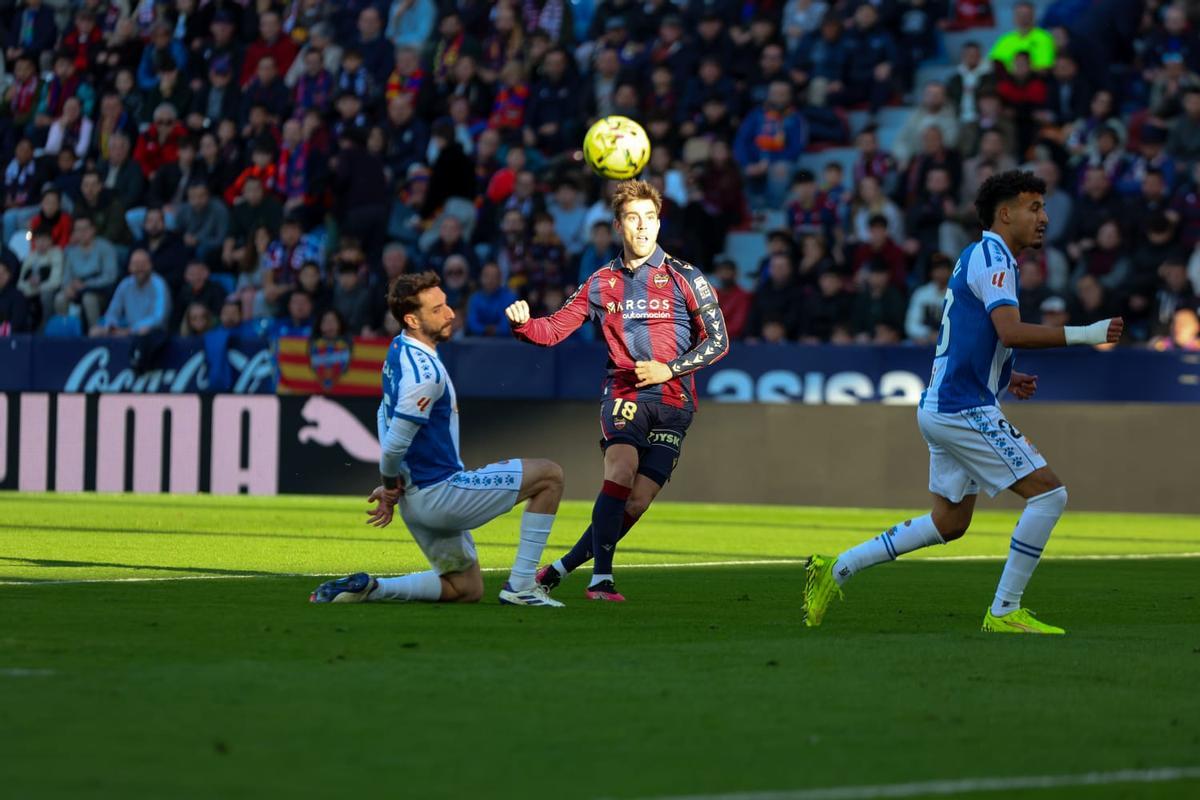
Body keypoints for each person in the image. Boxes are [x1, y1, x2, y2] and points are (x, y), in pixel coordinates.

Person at [803, 170, 1124, 634]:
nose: (1044, 218)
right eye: (1033, 207)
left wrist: (1007, 375)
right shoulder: (993, 256)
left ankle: (836, 569)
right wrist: (1087, 334)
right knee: (1050, 495)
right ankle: (1004, 611)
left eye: (1043, 207)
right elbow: (1009, 330)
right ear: (1005, 212)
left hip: (943, 404)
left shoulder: (979, 256)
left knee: (950, 522)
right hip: (962, 408)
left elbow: (977, 336)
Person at [506, 180, 731, 601]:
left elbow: (718, 341)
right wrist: (523, 325)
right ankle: (601, 579)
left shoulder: (686, 277)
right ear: (617, 225)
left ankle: (560, 568)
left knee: (637, 502)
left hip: (674, 401)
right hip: (624, 392)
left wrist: (670, 369)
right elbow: (554, 329)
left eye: (650, 218)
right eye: (633, 218)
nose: (643, 227)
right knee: (621, 471)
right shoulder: (601, 281)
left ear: (659, 223)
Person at [310, 271, 566, 608]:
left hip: (416, 502)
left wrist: (397, 483)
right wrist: (389, 484)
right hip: (441, 495)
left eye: (447, 305)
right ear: (412, 319)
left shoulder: (399, 347)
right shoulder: (425, 376)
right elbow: (392, 448)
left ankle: (372, 588)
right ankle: (520, 586)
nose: (450, 314)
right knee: (549, 476)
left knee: (466, 588)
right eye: (438, 309)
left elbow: (382, 415)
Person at [92, 249, 171, 337]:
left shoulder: (159, 284)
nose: (140, 268)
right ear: (129, 267)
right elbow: (112, 311)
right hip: (128, 330)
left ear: (150, 265)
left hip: (154, 334)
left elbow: (159, 318)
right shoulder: (125, 284)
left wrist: (131, 330)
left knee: (144, 331)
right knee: (95, 331)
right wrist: (111, 326)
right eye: (136, 264)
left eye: (143, 264)